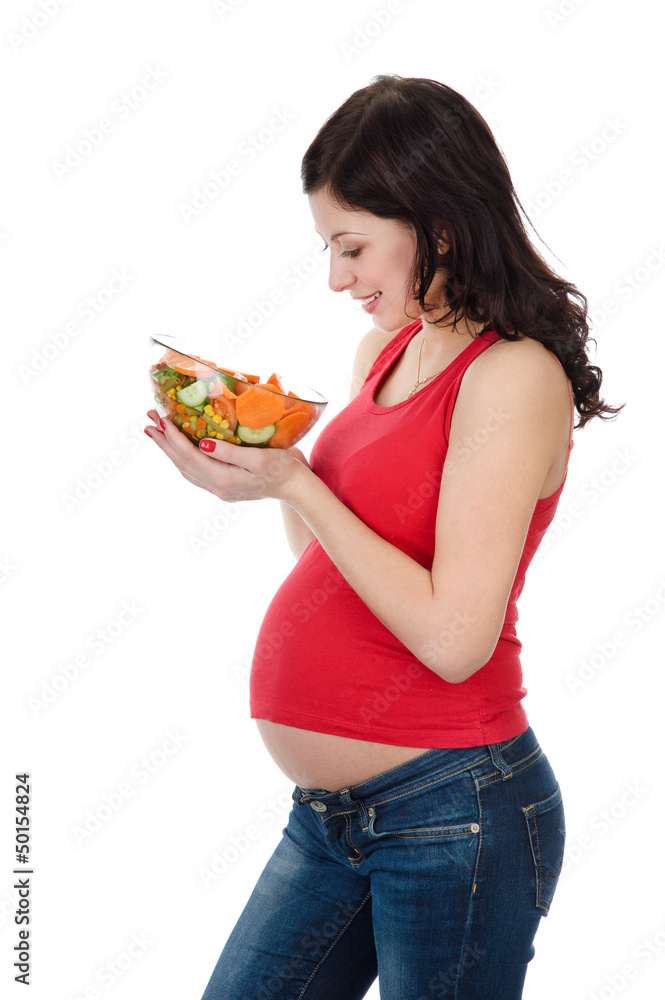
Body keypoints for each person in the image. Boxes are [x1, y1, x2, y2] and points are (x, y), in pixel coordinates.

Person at [145, 75, 623, 999]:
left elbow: (452, 641)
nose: (337, 279)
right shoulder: (387, 350)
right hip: (331, 820)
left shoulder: (512, 376)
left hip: (455, 810)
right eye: (329, 248)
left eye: (352, 246)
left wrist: (299, 484)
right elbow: (333, 570)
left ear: (436, 226)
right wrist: (266, 466)